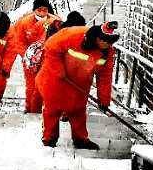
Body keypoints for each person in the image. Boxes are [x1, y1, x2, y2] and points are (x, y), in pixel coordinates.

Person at [36, 21, 119, 150]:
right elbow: (50, 46)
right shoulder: (74, 34)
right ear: (96, 36)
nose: (106, 44)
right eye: (103, 40)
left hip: (80, 83)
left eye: (109, 42)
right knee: (53, 109)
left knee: (78, 110)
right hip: (56, 78)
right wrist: (58, 70)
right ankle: (49, 139)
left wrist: (104, 100)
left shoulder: (108, 52)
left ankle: (80, 139)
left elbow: (105, 76)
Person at [5, 0, 60, 113]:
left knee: (48, 85)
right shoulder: (23, 23)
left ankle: (48, 109)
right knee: (31, 86)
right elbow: (17, 41)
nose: (42, 12)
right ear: (34, 10)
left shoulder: (55, 21)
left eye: (44, 10)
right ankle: (31, 108)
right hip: (30, 60)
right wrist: (28, 55)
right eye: (39, 10)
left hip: (48, 59)